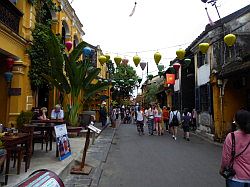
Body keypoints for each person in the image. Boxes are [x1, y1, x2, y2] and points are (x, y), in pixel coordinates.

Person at [220, 109, 250, 187]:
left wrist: (222, 169)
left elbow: (226, 158)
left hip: (236, 178)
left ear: (236, 122)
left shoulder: (231, 136)